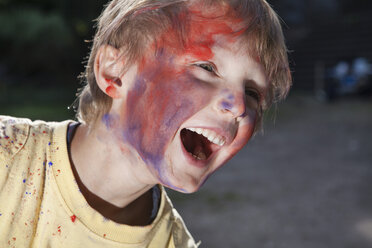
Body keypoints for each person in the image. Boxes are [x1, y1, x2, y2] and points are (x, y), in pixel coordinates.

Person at [0, 0, 291, 247]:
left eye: (253, 93)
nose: (239, 105)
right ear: (114, 72)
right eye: (206, 68)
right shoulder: (7, 157)